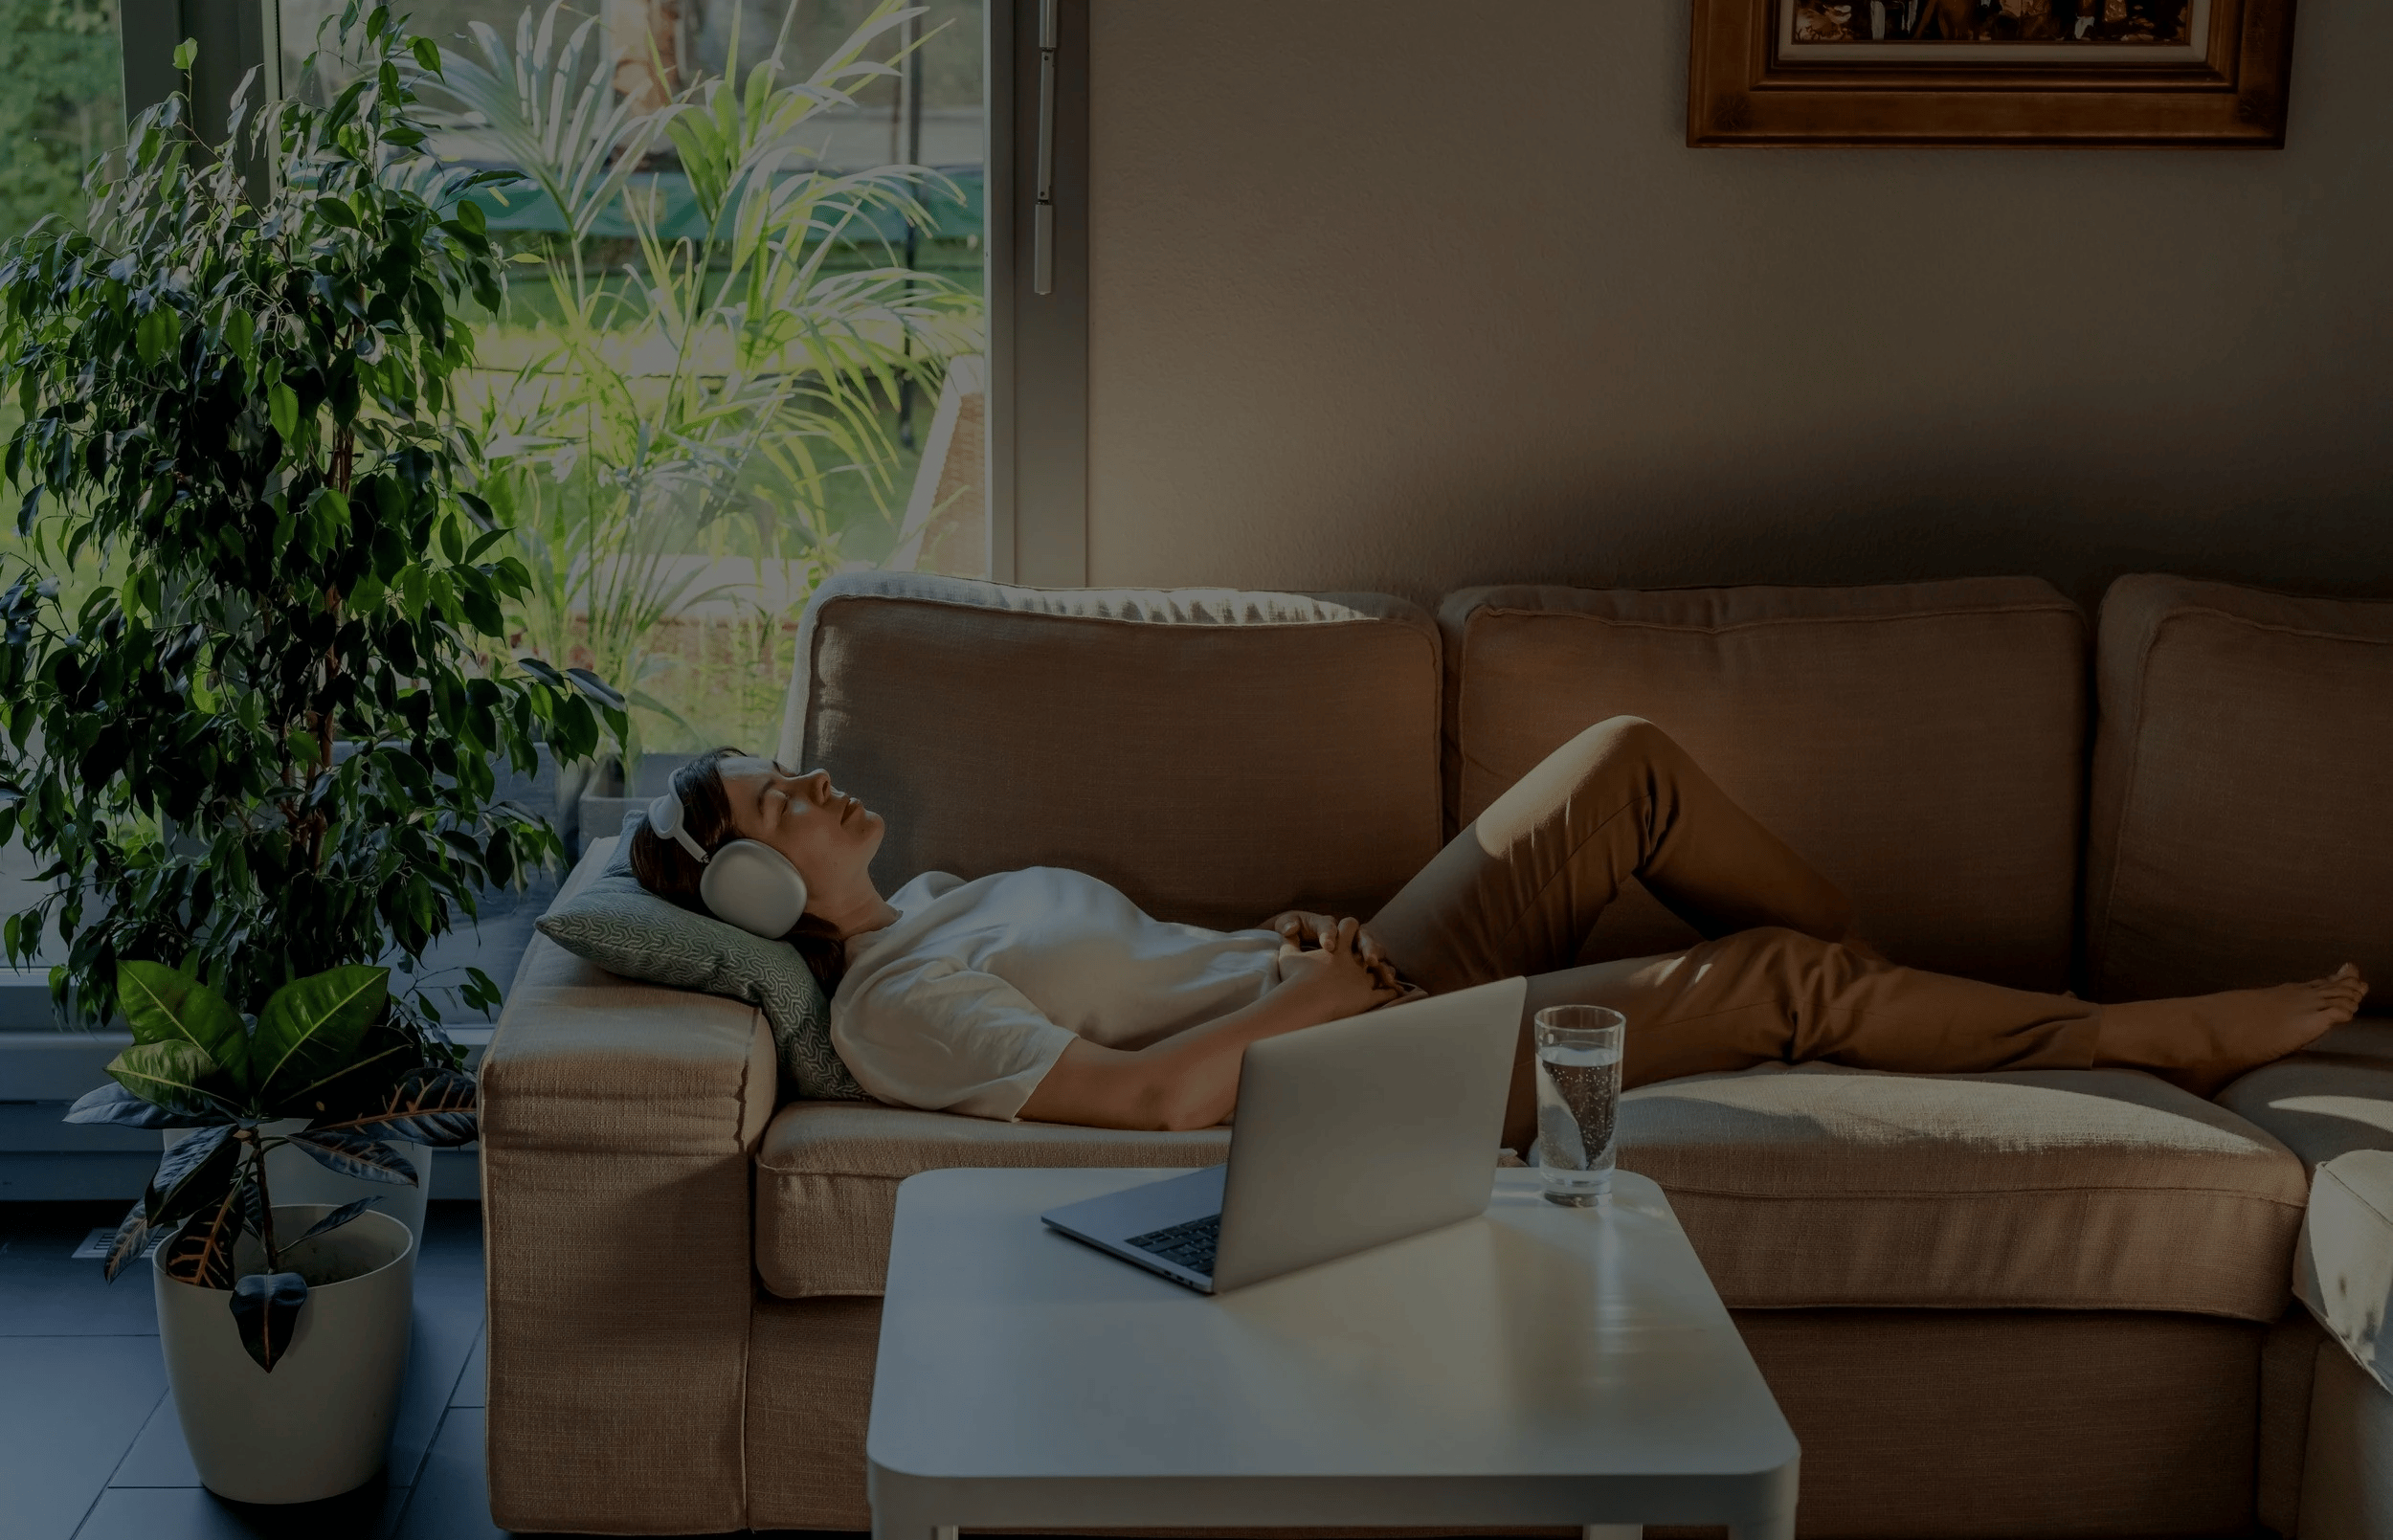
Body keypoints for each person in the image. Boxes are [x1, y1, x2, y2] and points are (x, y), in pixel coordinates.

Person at [629, 717, 2367, 1149]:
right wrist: (1315, 994)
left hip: (1347, 970)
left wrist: (1287, 940)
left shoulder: (943, 903)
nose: (815, 783)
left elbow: (1157, 969)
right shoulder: (897, 1010)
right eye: (775, 800)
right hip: (1357, 1061)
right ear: (754, 895)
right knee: (1768, 984)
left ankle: (1897, 1003)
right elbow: (1149, 1109)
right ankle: (2132, 1032)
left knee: (1623, 767)